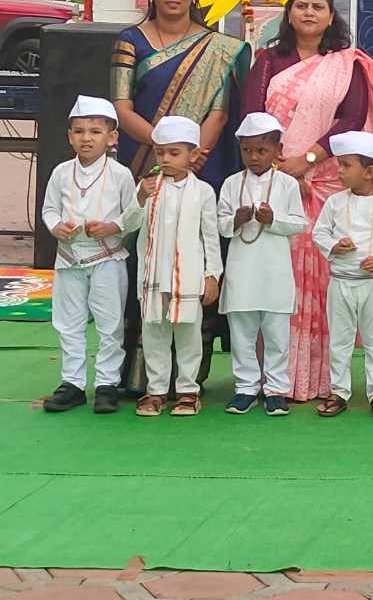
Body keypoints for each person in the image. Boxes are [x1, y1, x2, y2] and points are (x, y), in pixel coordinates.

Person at [243, 0, 373, 401]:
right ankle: (276, 378)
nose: (309, 13)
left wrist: (307, 159)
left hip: (323, 181)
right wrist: (278, 164)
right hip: (274, 180)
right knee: (280, 278)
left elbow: (351, 118)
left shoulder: (346, 64)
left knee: (322, 280)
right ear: (288, 13)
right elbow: (252, 117)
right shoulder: (268, 61)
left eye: (318, 6)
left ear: (331, 15)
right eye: (301, 5)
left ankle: (322, 380)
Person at [112, 0, 248, 391]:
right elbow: (121, 108)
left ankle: (190, 375)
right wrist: (166, 149)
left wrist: (191, 155)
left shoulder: (217, 48)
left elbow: (219, 112)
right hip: (144, 163)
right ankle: (139, 373)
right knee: (144, 256)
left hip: (200, 167)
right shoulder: (130, 41)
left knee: (196, 253)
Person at [122, 116, 222, 418]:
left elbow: (210, 237)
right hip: (153, 275)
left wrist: (212, 276)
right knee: (154, 334)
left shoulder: (203, 191)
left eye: (174, 153)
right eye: (160, 152)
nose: (165, 159)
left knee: (189, 335)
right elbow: (129, 224)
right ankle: (156, 391)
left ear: (193, 155)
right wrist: (140, 197)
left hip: (188, 277)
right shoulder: (148, 187)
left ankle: (188, 391)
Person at [41, 96, 135, 415]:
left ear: (112, 137)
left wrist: (112, 227)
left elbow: (133, 214)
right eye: (79, 131)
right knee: (68, 323)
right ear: (69, 136)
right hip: (69, 258)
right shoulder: (61, 172)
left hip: (107, 257)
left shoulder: (120, 174)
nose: (86, 138)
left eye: (95, 131)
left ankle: (107, 384)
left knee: (110, 324)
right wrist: (56, 227)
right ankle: (73, 383)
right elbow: (49, 209)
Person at [312, 131, 373, 420]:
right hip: (340, 282)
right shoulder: (334, 202)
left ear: (368, 172)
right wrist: (335, 245)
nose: (339, 171)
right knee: (339, 340)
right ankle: (338, 392)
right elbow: (319, 233)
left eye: (345, 165)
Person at [217, 112, 307, 417]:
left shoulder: (287, 184)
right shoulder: (231, 183)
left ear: (277, 150)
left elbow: (299, 224)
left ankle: (276, 390)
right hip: (241, 269)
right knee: (242, 333)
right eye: (247, 150)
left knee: (277, 335)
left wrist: (273, 220)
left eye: (261, 150)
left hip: (275, 270)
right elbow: (219, 225)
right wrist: (236, 219)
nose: (253, 157)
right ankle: (245, 388)